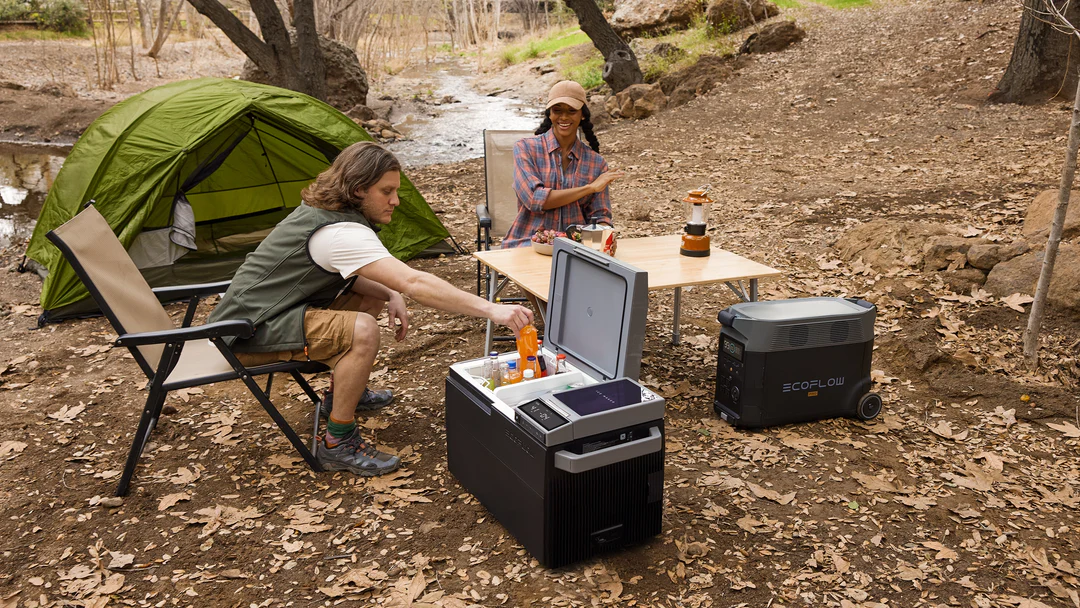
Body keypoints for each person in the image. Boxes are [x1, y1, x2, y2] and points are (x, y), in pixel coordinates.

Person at [208, 142, 533, 477]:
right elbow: (416, 283)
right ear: (358, 189)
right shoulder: (340, 232)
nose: (396, 200)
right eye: (387, 191)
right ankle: (338, 442)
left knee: (376, 294)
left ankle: (345, 394)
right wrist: (492, 310)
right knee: (362, 330)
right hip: (245, 334)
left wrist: (390, 292)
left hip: (265, 315)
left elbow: (353, 276)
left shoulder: (327, 214)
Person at [502, 80, 625, 249]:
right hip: (527, 245)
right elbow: (535, 200)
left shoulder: (596, 163)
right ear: (549, 114)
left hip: (575, 249)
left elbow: (601, 216)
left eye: (571, 111)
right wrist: (589, 188)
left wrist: (604, 236)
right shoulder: (525, 148)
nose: (564, 117)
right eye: (557, 110)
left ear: (582, 114)